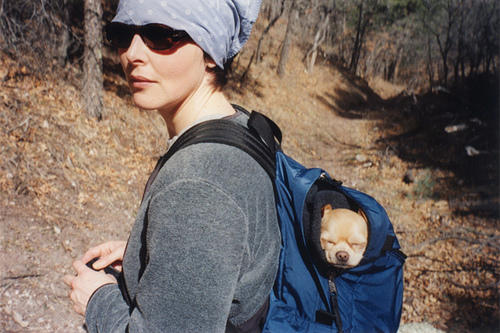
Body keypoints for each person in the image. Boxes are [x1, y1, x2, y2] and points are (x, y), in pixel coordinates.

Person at [62, 0, 281, 332]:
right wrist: (152, 256)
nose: (132, 54)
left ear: (210, 53)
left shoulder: (200, 185)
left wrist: (98, 300)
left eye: (160, 35)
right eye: (122, 33)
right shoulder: (239, 127)